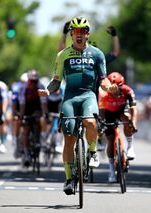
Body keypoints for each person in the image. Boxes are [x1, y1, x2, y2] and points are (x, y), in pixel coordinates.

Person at [38, 17, 119, 195]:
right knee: (69, 138)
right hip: (70, 98)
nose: (79, 35)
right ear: (71, 35)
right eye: (75, 32)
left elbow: (103, 79)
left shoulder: (97, 54)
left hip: (88, 95)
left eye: (83, 31)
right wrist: (48, 91)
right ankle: (68, 179)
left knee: (90, 123)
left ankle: (92, 152)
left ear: (88, 34)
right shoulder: (63, 54)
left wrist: (110, 88)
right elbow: (56, 80)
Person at [98, 71, 138, 183]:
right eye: (112, 87)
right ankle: (111, 169)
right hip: (108, 113)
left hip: (121, 110)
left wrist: (133, 122)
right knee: (110, 140)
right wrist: (101, 124)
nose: (115, 90)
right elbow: (101, 111)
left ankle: (130, 146)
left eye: (118, 87)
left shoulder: (128, 91)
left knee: (127, 118)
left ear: (122, 86)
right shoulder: (103, 93)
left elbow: (133, 108)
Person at [18, 69, 48, 167]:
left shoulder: (41, 86)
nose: (33, 84)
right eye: (32, 81)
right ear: (28, 81)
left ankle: (40, 139)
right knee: (26, 131)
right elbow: (22, 104)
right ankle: (26, 155)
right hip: (26, 108)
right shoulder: (23, 88)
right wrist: (21, 117)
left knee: (40, 120)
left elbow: (43, 103)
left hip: (37, 107)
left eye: (35, 81)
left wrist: (44, 114)